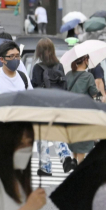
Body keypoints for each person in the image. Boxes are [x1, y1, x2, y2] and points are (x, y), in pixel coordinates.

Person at [30, 38, 73, 174]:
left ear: (39, 52)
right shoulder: (59, 66)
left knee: (42, 135)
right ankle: (65, 156)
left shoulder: (37, 68)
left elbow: (34, 88)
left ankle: (46, 166)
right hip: (58, 104)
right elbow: (65, 86)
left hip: (43, 105)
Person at [66, 55, 99, 164]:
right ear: (85, 60)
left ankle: (74, 160)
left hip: (70, 112)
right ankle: (80, 165)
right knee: (83, 140)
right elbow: (93, 92)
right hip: (84, 112)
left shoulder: (69, 75)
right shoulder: (88, 76)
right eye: (88, 60)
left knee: (73, 138)